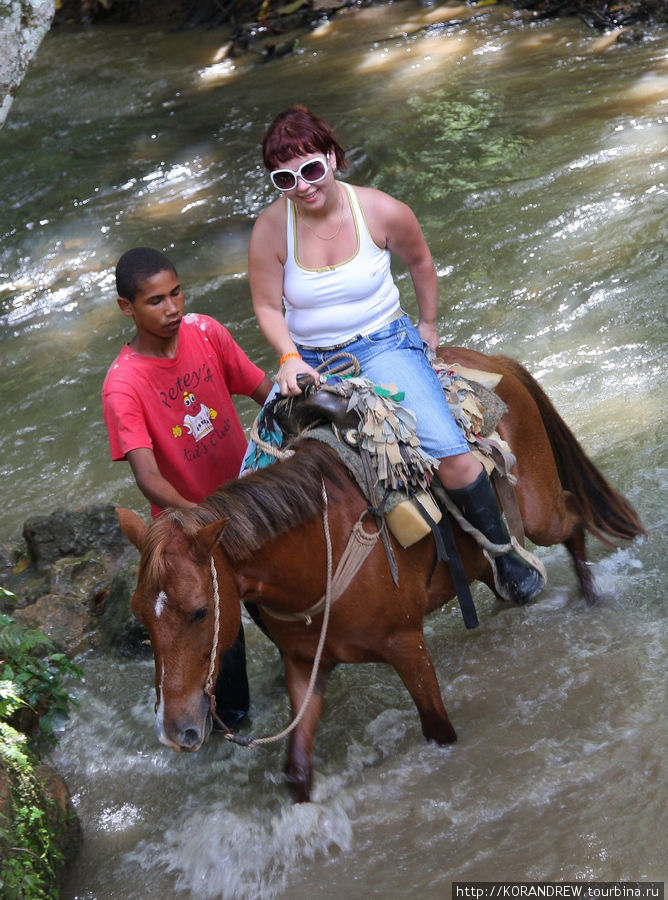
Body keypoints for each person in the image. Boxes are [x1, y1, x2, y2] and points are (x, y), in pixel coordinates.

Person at [248, 105, 542, 605]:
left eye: (311, 169)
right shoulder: (273, 229)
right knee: (252, 481)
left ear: (333, 158)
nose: (302, 185)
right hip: (311, 361)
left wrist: (427, 326)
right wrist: (287, 357)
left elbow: (422, 262)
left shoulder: (381, 210)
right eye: (285, 177)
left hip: (382, 344)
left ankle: (503, 552)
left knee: (451, 454)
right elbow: (264, 304)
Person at [102, 247, 273, 726]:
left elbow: (262, 391)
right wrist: (197, 516)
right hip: (190, 531)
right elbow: (147, 475)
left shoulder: (205, 332)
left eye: (176, 292)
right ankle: (230, 728)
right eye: (155, 300)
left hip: (246, 505)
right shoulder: (124, 385)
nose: (173, 308)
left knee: (292, 620)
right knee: (223, 647)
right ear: (126, 307)